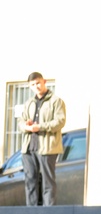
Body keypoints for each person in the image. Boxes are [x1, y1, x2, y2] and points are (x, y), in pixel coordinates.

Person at [18, 72, 66, 206]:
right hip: (29, 147)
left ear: (44, 81)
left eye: (38, 83)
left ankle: (48, 212)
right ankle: (31, 213)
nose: (36, 86)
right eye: (33, 85)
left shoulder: (56, 101)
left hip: (47, 147)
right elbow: (21, 121)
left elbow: (60, 121)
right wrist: (26, 126)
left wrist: (41, 127)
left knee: (48, 181)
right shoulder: (29, 103)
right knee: (30, 181)